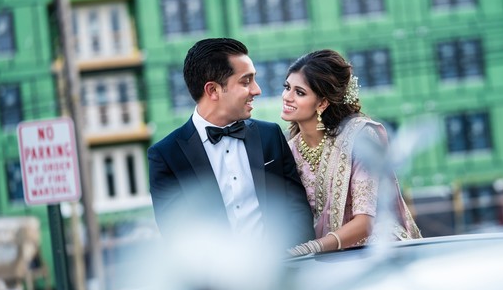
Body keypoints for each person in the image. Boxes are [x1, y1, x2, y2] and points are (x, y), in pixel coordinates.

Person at [148, 38, 315, 248]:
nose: (257, 90)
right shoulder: (166, 155)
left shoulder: (269, 135)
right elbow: (177, 235)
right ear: (213, 90)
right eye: (246, 82)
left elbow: (296, 208)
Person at [281, 49, 421, 256]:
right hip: (324, 260)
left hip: (373, 252)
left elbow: (365, 222)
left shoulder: (359, 139)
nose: (287, 97)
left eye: (299, 92)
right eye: (287, 87)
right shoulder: (289, 149)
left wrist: (312, 248)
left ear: (322, 103)